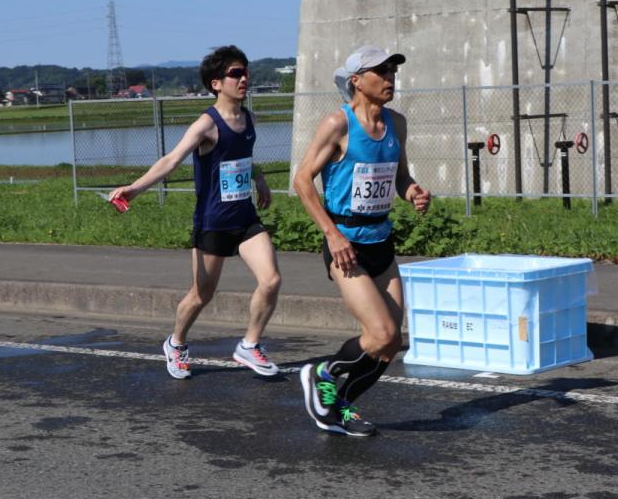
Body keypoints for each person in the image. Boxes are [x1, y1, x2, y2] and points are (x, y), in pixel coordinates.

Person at [109, 46, 281, 380]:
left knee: (271, 279)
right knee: (202, 294)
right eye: (235, 73)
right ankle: (176, 343)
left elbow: (242, 156)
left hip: (244, 219)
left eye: (245, 72)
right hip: (212, 222)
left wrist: (259, 179)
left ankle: (249, 344)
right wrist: (135, 188)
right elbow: (170, 161)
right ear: (216, 83)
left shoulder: (250, 118)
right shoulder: (206, 125)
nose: (243, 78)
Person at [292, 45, 430, 437]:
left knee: (390, 344)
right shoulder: (338, 124)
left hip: (380, 241)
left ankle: (340, 406)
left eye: (392, 71)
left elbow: (400, 176)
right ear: (356, 80)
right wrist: (332, 235)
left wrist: (413, 191)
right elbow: (302, 181)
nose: (390, 78)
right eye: (381, 72)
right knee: (380, 333)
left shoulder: (396, 124)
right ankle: (322, 373)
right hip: (345, 244)